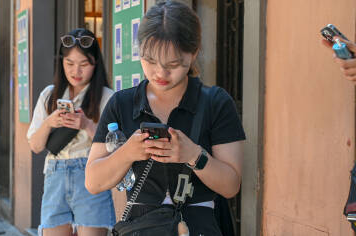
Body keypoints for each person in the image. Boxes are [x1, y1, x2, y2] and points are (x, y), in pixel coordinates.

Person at [85, 1, 245, 235]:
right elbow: (93, 182)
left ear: (194, 53)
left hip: (197, 226)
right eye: (150, 61)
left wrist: (192, 155)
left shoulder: (215, 102)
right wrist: (128, 153)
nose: (160, 73)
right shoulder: (122, 103)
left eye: (173, 64)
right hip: (142, 227)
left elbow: (231, 185)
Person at [27, 28, 115, 236]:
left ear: (95, 64)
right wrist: (50, 122)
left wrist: (86, 125)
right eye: (70, 64)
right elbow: (35, 146)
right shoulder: (49, 95)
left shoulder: (107, 98)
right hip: (55, 175)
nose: (76, 71)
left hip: (90, 174)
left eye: (84, 64)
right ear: (61, 63)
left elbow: (115, 148)